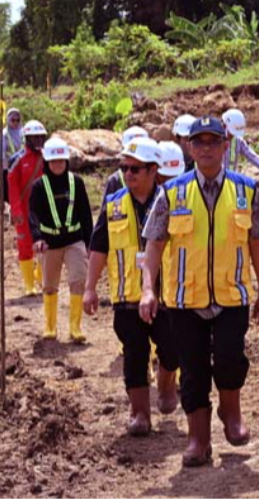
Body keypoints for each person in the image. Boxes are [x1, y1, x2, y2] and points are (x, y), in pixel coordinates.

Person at [139, 116, 259, 467]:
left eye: (214, 141)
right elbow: (153, 243)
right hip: (185, 299)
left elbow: (258, 243)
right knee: (193, 368)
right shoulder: (172, 192)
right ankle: (198, 438)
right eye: (199, 142)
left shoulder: (246, 190)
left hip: (232, 295)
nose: (207, 148)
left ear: (226, 145)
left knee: (230, 358)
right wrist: (147, 290)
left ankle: (232, 414)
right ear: (190, 147)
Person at [85, 138, 179, 436]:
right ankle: (139, 413)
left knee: (172, 350)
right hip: (127, 298)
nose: (128, 174)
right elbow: (99, 247)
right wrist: (89, 288)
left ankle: (166, 388)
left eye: (135, 169)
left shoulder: (173, 203)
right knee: (134, 354)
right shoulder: (113, 206)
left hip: (167, 298)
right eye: (124, 168)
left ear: (154, 171)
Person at [29, 138, 94, 342]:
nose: (57, 165)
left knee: (78, 280)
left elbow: (85, 213)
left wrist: (90, 243)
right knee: (49, 285)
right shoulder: (39, 187)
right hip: (50, 243)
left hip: (74, 241)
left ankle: (75, 327)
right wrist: (37, 238)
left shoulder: (77, 183)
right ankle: (50, 327)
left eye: (61, 160)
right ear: (47, 163)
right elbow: (33, 215)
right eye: (53, 161)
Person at [9, 120, 49, 296]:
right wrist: (16, 211)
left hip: (43, 211)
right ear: (27, 139)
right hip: (23, 211)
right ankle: (29, 284)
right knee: (25, 247)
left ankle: (40, 276)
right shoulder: (17, 160)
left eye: (41, 137)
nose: (39, 141)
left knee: (47, 244)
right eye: (35, 137)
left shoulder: (48, 158)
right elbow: (13, 188)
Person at [221, 108, 259, 177]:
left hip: (230, 180)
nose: (233, 135)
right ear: (224, 126)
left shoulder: (237, 141)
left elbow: (251, 155)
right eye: (232, 132)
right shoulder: (214, 140)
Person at [0, 108, 24, 207]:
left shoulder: (23, 133)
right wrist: (0, 165)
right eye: (13, 120)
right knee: (5, 187)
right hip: (6, 165)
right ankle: (2, 201)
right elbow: (1, 151)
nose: (15, 122)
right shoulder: (4, 134)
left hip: (20, 165)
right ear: (8, 120)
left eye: (17, 120)